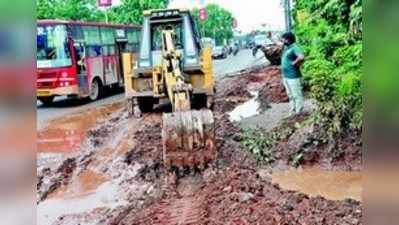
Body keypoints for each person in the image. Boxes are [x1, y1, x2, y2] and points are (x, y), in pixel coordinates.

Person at [281, 32, 305, 115]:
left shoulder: (295, 47)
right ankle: (293, 110)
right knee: (290, 95)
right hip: (286, 76)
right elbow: (278, 43)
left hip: (293, 76)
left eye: (283, 38)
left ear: (288, 39)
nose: (282, 40)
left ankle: (299, 112)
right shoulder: (286, 48)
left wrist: (294, 63)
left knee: (296, 95)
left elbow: (301, 57)